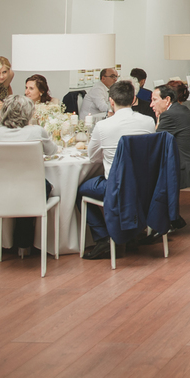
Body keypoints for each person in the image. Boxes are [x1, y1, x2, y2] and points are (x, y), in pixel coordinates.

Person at [79, 80, 155, 260]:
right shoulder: (149, 121)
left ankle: (103, 237)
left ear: (111, 101)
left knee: (81, 190)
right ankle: (134, 232)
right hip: (145, 184)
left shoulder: (103, 126)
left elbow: (92, 158)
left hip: (116, 186)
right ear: (134, 99)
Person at [0, 95, 58, 254]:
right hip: (31, 192)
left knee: (23, 187)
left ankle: (18, 242)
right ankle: (26, 242)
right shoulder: (35, 131)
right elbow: (52, 151)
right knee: (39, 186)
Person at [150, 84, 190, 192]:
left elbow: (155, 143)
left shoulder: (169, 115)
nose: (151, 104)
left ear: (167, 100)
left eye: (154, 100)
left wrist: (158, 120)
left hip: (187, 172)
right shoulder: (182, 109)